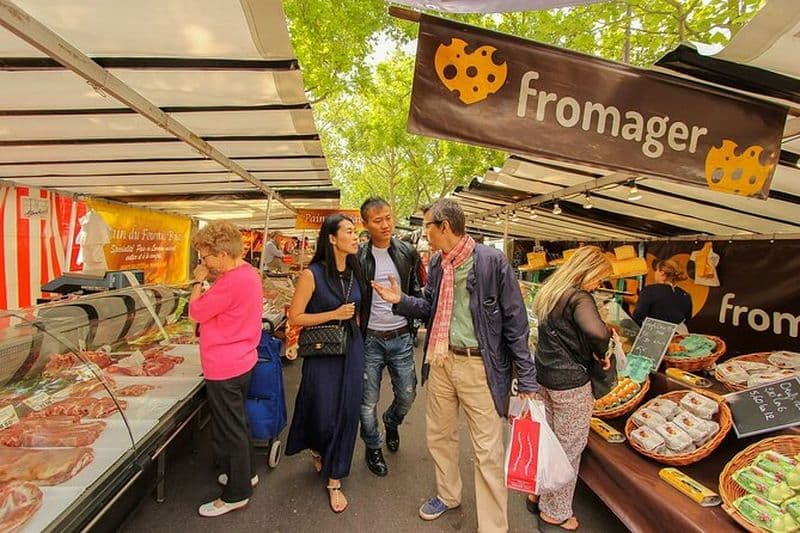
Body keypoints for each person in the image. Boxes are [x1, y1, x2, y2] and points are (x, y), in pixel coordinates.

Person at [372, 199, 537, 533]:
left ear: (443, 226)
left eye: (427, 227)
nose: (424, 234)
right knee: (439, 435)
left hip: (480, 367)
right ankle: (448, 495)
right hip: (443, 360)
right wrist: (400, 301)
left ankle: (493, 526)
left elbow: (516, 324)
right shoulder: (438, 263)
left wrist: (529, 381)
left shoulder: (491, 262)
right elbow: (430, 307)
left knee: (487, 450)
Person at [285, 214, 364, 514]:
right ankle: (318, 447)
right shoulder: (312, 274)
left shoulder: (356, 271)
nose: (355, 237)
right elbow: (295, 317)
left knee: (347, 412)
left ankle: (335, 478)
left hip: (352, 348)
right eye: (349, 232)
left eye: (356, 232)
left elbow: (359, 310)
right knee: (322, 410)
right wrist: (334, 314)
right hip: (322, 352)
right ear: (331, 238)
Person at [531, 246, 613, 531]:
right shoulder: (579, 297)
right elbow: (597, 332)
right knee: (568, 448)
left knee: (549, 441)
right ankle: (555, 511)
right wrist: (604, 351)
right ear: (588, 270)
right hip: (571, 383)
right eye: (599, 278)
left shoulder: (551, 290)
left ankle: (537, 492)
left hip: (545, 376)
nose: (599, 285)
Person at [188, 221, 263, 517]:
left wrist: (197, 282)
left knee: (229, 429)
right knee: (238, 424)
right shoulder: (248, 273)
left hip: (225, 365)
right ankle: (245, 474)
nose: (203, 263)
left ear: (221, 254)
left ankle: (236, 493)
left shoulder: (231, 281)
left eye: (205, 257)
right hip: (243, 359)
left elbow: (195, 312)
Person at [356, 197, 423, 477]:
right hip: (369, 339)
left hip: (401, 338)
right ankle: (373, 446)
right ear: (366, 224)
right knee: (366, 402)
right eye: (377, 220)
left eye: (388, 218)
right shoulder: (357, 258)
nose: (385, 225)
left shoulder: (408, 252)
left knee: (407, 394)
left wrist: (414, 318)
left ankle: (392, 420)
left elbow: (417, 289)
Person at [633, 259, 693, 326]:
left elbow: (638, 315)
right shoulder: (686, 295)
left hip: (655, 333)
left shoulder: (649, 290)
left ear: (662, 273)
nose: (655, 273)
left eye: (656, 270)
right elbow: (687, 320)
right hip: (678, 335)